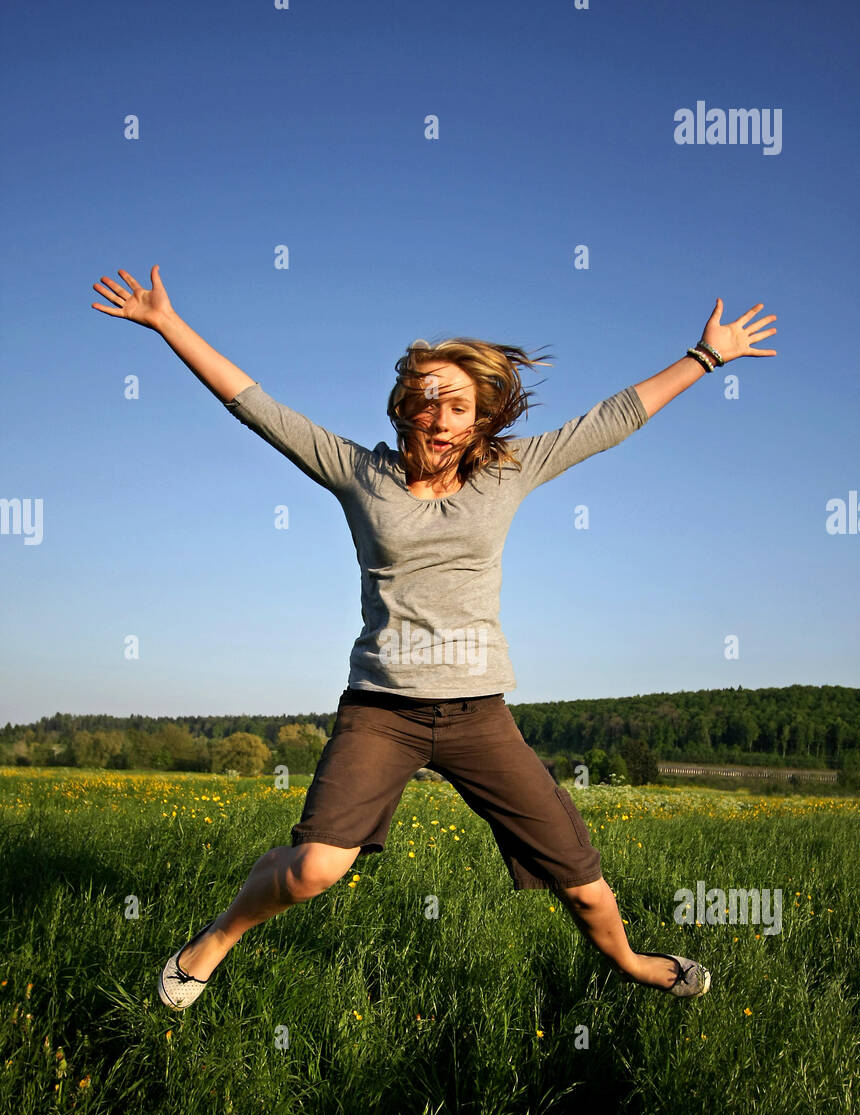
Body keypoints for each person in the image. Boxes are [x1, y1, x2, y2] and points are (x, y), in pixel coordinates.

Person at [91, 266, 777, 1011]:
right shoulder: (360, 474)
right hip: (382, 711)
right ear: (403, 410)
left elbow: (610, 419)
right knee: (314, 869)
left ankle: (634, 963)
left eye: (458, 403)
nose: (441, 416)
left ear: (482, 414)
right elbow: (256, 406)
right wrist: (169, 324)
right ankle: (219, 937)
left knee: (583, 883)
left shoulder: (508, 473)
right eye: (427, 401)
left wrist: (705, 357)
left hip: (478, 715)